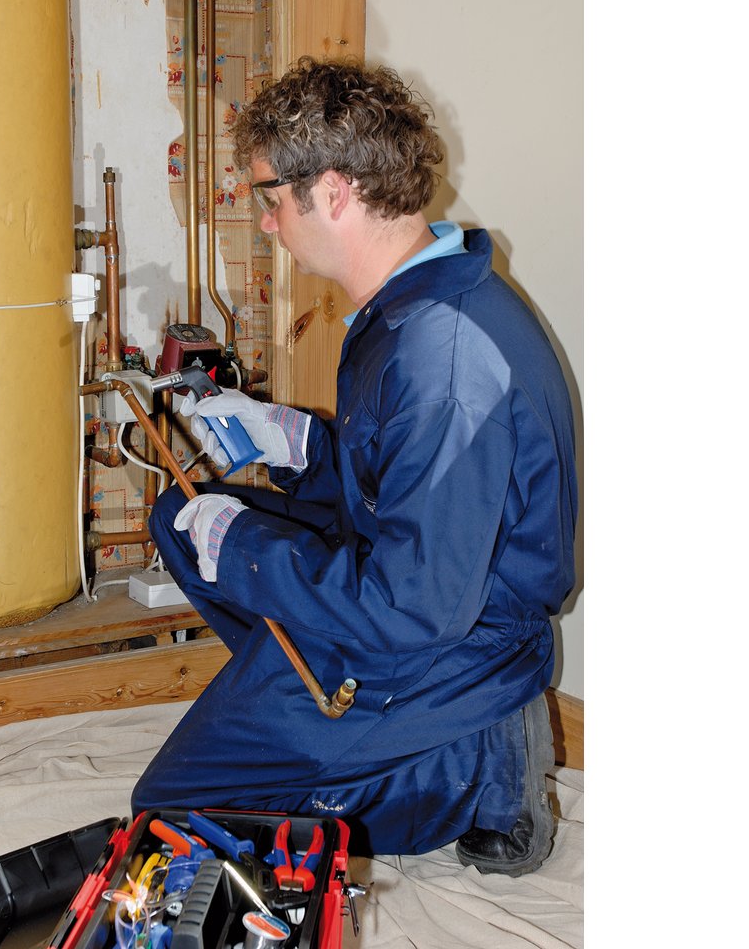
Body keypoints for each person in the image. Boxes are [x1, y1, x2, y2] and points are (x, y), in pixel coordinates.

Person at [131, 57, 578, 876]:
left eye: (270, 197)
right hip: (427, 593)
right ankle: (334, 726)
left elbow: (413, 606)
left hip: (454, 645)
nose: (267, 223)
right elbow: (401, 485)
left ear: (333, 192)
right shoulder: (411, 302)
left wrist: (248, 548)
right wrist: (297, 445)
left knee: (172, 812)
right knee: (182, 519)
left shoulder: (442, 356)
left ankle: (471, 768)